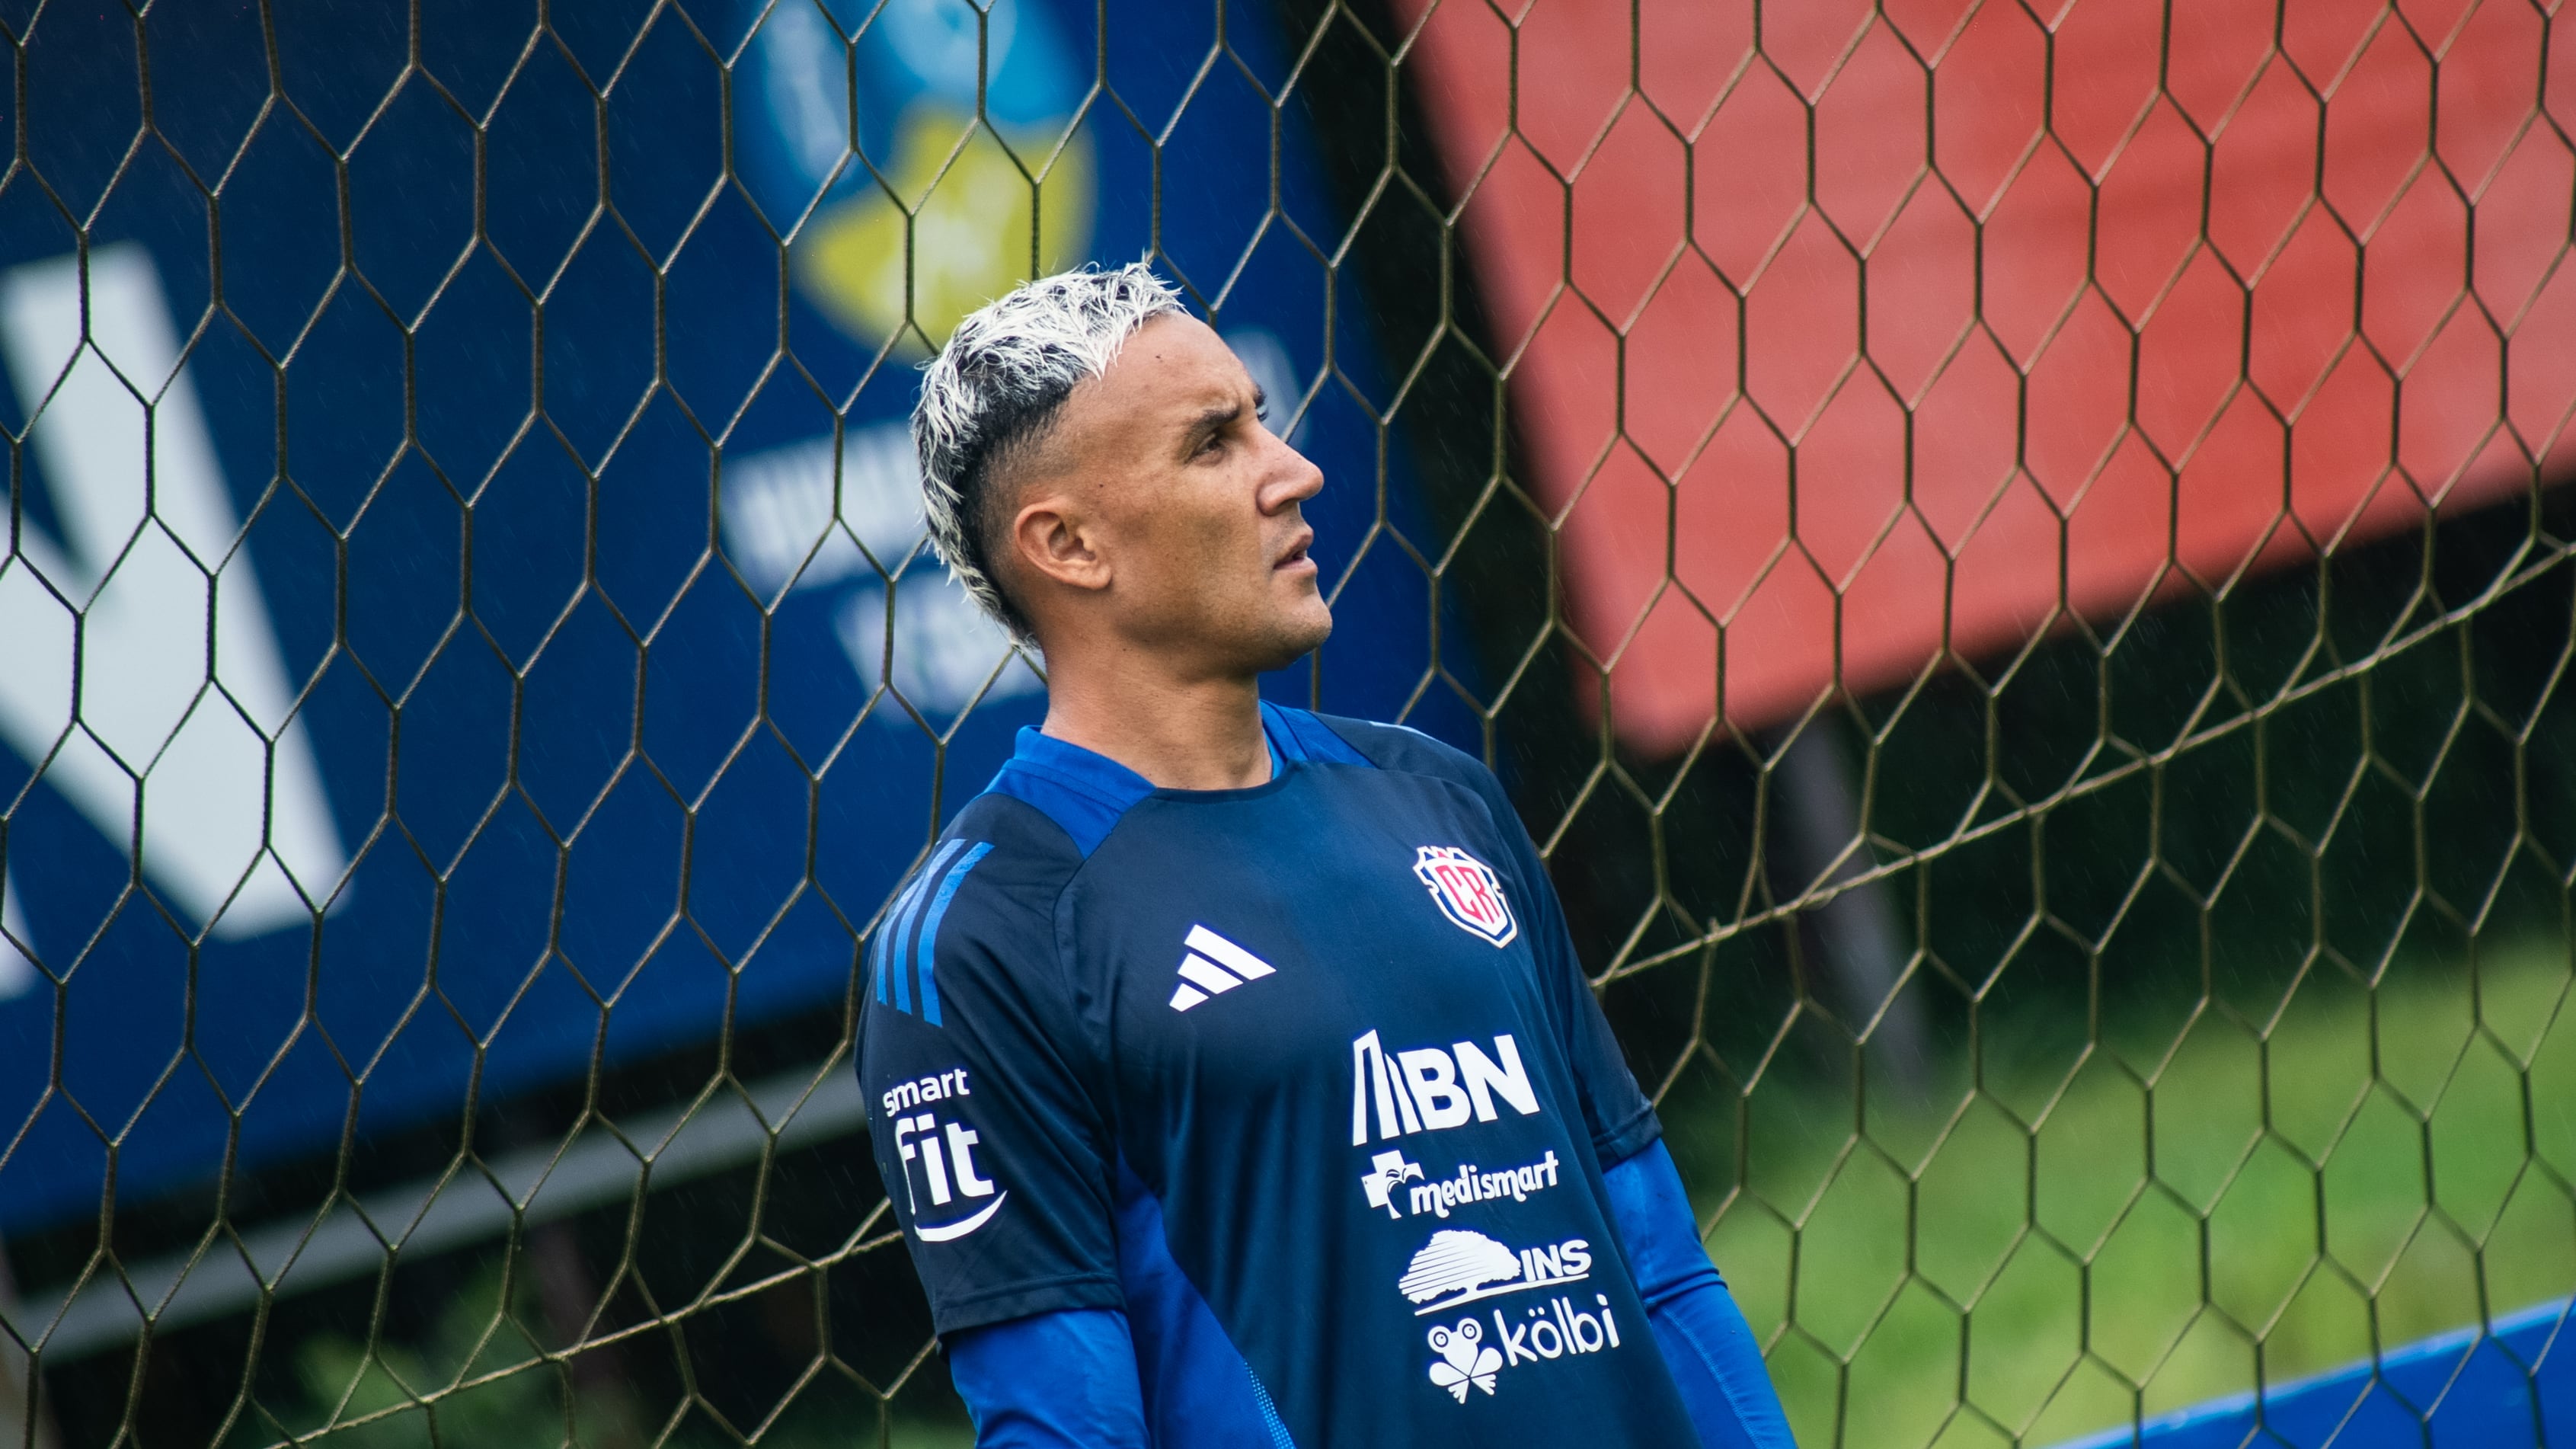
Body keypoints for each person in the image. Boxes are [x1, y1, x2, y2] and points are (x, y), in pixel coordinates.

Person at [859, 262, 1798, 1448]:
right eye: (1213, 443)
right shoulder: (981, 933)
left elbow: (1657, 1262)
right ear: (1068, 544)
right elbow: (1062, 1423)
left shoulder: (1437, 797)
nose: (1293, 471)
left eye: (1261, 419)